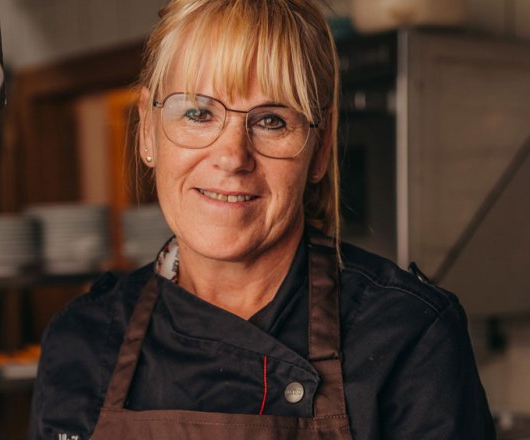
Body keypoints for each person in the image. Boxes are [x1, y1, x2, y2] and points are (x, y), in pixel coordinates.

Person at [29, 0, 495, 438]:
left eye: (271, 120)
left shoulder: (410, 337)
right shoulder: (83, 341)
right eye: (197, 112)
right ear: (148, 132)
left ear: (321, 145)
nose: (232, 156)